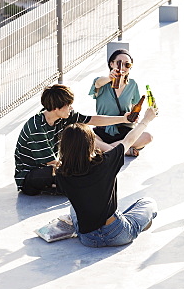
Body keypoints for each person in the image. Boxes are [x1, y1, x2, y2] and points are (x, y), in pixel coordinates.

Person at [55, 106, 158, 247]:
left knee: (74, 208)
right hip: (117, 232)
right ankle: (132, 224)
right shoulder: (105, 162)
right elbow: (128, 141)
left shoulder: (61, 172)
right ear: (91, 144)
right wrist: (146, 120)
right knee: (148, 203)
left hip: (87, 239)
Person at [14, 84, 129, 196]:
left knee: (77, 171)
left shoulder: (63, 117)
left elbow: (92, 120)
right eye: (68, 105)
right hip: (30, 177)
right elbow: (52, 163)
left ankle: (63, 186)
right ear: (56, 108)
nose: (71, 108)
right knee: (70, 176)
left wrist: (124, 119)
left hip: (52, 168)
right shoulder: (36, 128)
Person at [89, 48, 153, 156]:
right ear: (111, 64)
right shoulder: (101, 82)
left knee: (147, 137)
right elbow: (97, 84)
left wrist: (134, 117)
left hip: (124, 130)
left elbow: (134, 107)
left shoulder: (132, 84)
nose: (122, 67)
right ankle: (121, 150)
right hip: (102, 129)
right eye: (119, 63)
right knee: (84, 136)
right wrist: (110, 77)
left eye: (127, 65)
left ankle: (106, 150)